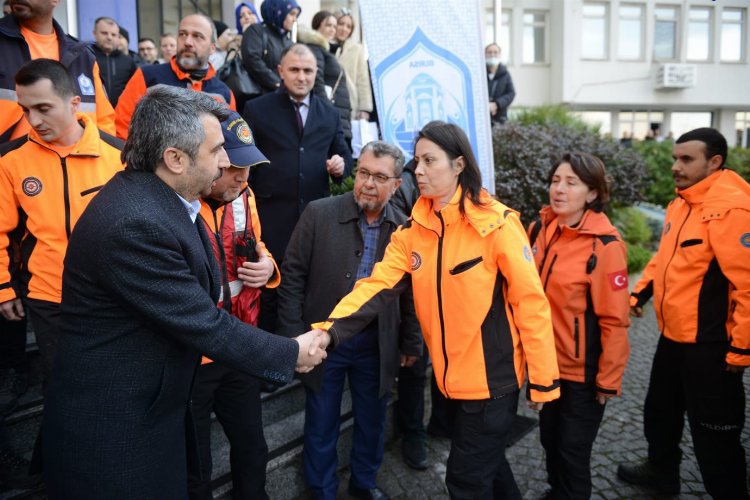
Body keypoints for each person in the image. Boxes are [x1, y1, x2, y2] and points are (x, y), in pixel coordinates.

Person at [41, 85, 326, 498]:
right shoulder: (135, 223)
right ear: (175, 158)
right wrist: (290, 352)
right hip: (118, 433)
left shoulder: (164, 202)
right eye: (215, 151)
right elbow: (202, 320)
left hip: (152, 408)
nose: (225, 161)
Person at [308, 121, 560, 499]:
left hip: (493, 382)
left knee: (464, 481)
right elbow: (375, 287)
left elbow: (532, 304)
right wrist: (326, 330)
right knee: (491, 470)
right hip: (449, 382)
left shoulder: (499, 224)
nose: (418, 170)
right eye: (416, 161)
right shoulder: (412, 230)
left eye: (429, 160)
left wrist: (544, 381)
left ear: (459, 165)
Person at [278, 141, 422, 500]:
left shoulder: (407, 231)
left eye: (379, 177)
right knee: (322, 420)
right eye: (363, 173)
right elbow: (292, 276)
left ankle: (364, 485)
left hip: (376, 343)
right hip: (323, 339)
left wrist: (411, 343)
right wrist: (295, 338)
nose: (368, 183)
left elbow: (411, 295)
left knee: (372, 421)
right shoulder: (319, 212)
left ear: (397, 185)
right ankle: (322, 490)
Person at [617, 128, 750, 499]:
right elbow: (665, 260)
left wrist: (742, 349)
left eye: (686, 159)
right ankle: (661, 472)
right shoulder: (682, 202)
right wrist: (638, 294)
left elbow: (748, 286)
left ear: (715, 161)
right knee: (660, 412)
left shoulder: (732, 209)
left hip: (711, 347)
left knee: (715, 436)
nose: (676, 166)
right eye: (676, 157)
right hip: (674, 337)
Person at [0, 58, 124, 383]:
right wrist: (3, 288)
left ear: (73, 103)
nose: (33, 120)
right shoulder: (10, 160)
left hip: (113, 296)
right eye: (25, 110)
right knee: (65, 385)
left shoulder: (120, 156)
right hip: (48, 297)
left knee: (113, 383)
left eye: (43, 108)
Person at [528, 152, 630, 500]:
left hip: (582, 373)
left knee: (573, 451)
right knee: (549, 440)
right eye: (556, 180)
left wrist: (608, 380)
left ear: (591, 193)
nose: (559, 189)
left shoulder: (605, 246)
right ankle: (556, 492)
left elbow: (615, 320)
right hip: (545, 364)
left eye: (571, 183)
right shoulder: (541, 228)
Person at [187, 111, 277, 500]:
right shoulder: (177, 203)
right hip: (193, 359)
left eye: (249, 168)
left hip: (239, 346)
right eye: (234, 167)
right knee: (195, 466)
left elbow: (256, 244)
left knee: (253, 451)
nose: (243, 177)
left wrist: (269, 267)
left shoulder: (245, 196)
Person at [242, 43, 352, 333]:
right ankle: (270, 362)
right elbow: (245, 164)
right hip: (270, 219)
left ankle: (305, 358)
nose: (301, 77)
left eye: (308, 71)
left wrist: (340, 166)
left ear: (316, 73)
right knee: (270, 294)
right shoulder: (257, 109)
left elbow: (344, 156)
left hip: (315, 222)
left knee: (309, 290)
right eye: (294, 70)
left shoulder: (329, 113)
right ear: (281, 71)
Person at [0, 0, 115, 142]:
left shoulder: (82, 55)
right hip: (8, 162)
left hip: (76, 162)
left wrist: (102, 161)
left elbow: (105, 122)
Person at [115, 13, 236, 139]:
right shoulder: (146, 77)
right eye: (182, 34)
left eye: (197, 36)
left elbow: (230, 141)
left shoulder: (224, 94)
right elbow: (122, 128)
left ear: (212, 48)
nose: (188, 42)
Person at [300, 11, 352, 141]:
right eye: (329, 25)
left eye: (335, 26)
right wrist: (328, 111)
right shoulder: (316, 48)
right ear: (318, 26)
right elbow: (317, 81)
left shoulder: (325, 49)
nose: (333, 30)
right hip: (330, 113)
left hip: (337, 112)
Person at [240, 0, 300, 95]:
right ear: (278, 12)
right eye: (291, 14)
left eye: (296, 16)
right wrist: (277, 83)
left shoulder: (288, 41)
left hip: (283, 96)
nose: (295, 19)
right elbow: (252, 59)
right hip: (259, 97)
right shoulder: (256, 31)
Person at [332, 8, 372, 121]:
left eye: (348, 26)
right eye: (341, 24)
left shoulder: (357, 49)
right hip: (328, 101)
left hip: (350, 103)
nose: (344, 29)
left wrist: (364, 108)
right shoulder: (324, 46)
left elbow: (362, 79)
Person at [90, 17, 137, 107]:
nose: (109, 37)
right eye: (104, 33)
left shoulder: (128, 61)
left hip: (121, 117)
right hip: (93, 116)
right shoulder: (86, 57)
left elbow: (135, 91)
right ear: (94, 33)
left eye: (114, 35)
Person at [485, 43, 515, 125]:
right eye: (489, 52)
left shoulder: (505, 74)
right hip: (483, 118)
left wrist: (497, 104)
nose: (492, 55)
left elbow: (511, 93)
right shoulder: (480, 73)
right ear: (485, 54)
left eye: (495, 52)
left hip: (500, 119)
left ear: (499, 55)